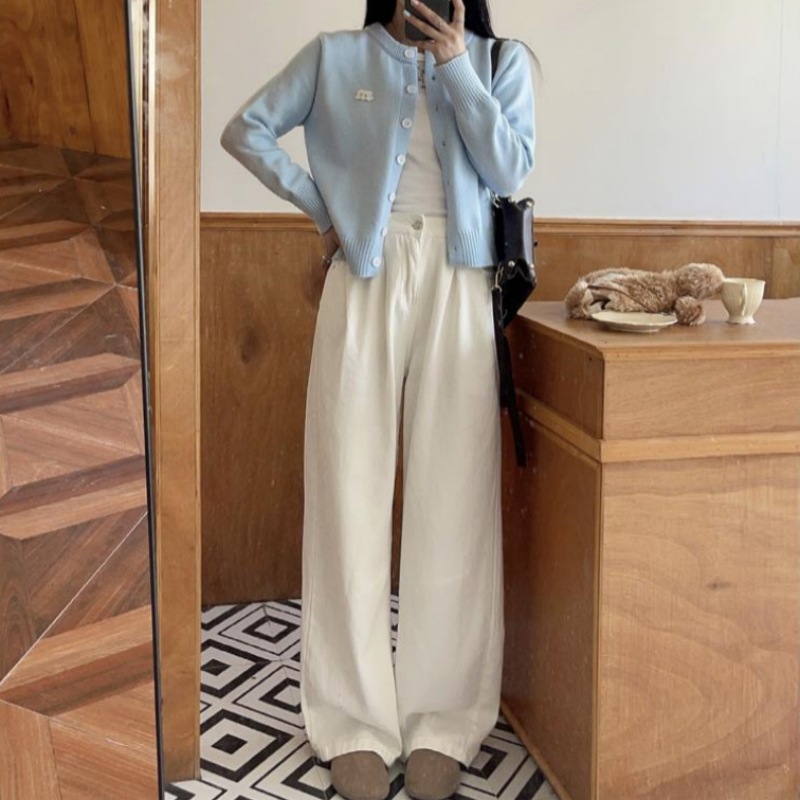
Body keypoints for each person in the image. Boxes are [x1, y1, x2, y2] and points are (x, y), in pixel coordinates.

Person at [220, 1, 535, 798]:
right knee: (347, 491)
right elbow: (246, 129)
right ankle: (352, 721)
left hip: (460, 283)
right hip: (363, 278)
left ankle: (443, 720)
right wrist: (325, 208)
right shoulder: (335, 56)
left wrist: (457, 64)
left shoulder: (502, 61)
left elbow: (510, 170)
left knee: (453, 501)